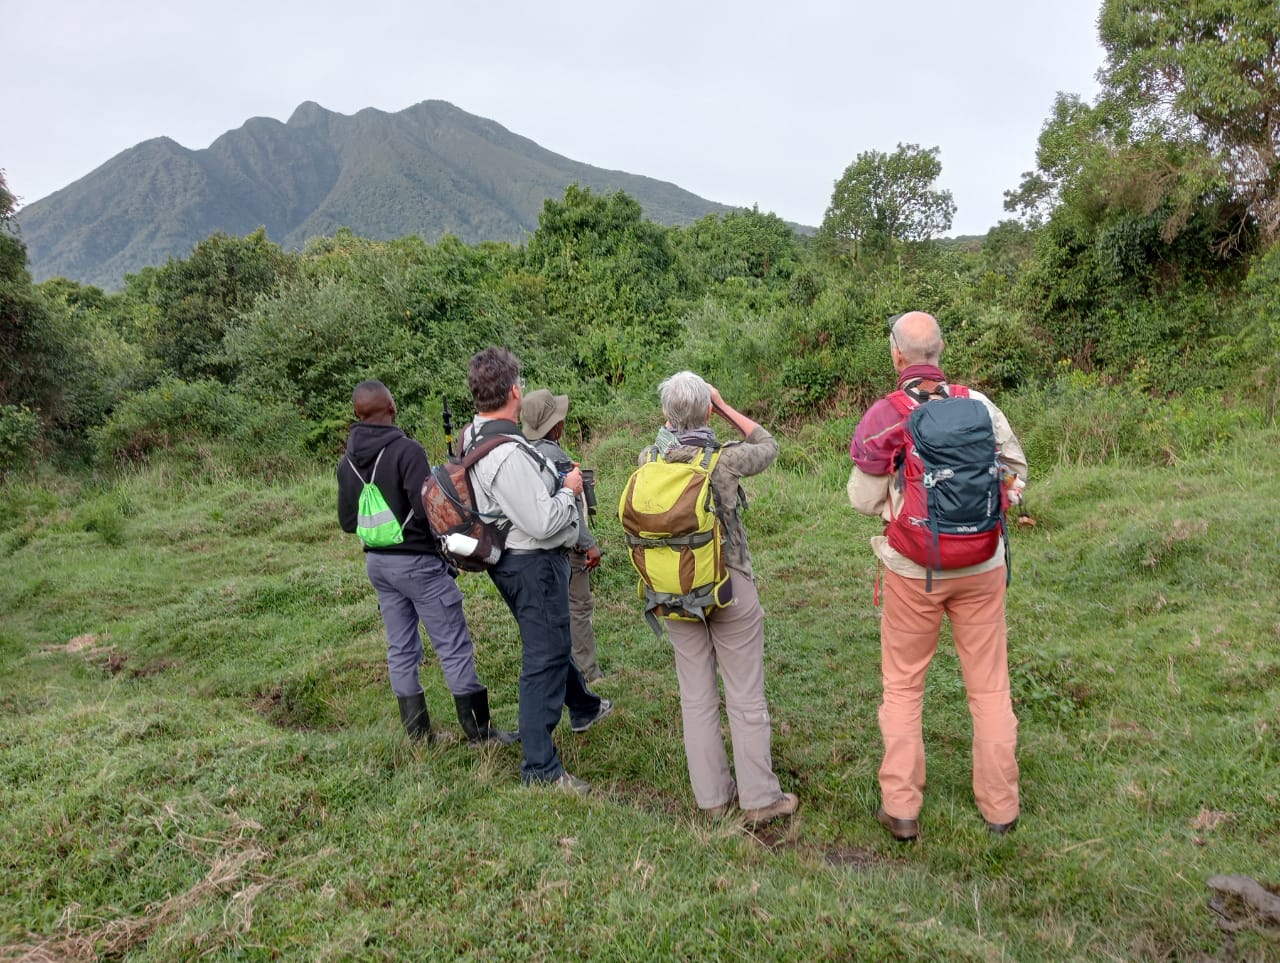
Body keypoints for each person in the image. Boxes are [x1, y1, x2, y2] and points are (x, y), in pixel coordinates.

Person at [847, 311, 1027, 841]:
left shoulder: (889, 413)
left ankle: (901, 807)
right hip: (982, 562)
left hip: (912, 569)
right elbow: (1017, 472)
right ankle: (1001, 809)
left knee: (903, 686)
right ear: (941, 350)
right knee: (990, 687)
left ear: (896, 356)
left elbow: (861, 499)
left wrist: (898, 501)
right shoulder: (979, 404)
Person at [643, 371, 798, 826]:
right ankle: (760, 800)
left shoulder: (649, 457)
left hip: (673, 592)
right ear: (708, 412)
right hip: (729, 587)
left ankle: (712, 799)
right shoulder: (725, 460)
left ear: (665, 416)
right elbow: (768, 443)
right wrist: (724, 405)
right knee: (745, 695)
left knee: (695, 697)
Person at [463, 348, 613, 790]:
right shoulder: (506, 456)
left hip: (510, 559)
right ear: (514, 390)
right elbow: (544, 521)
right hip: (532, 563)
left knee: (550, 640)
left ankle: (583, 707)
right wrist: (568, 490)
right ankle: (541, 770)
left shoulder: (475, 434)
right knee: (543, 658)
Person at [337, 379, 517, 746]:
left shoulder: (346, 463)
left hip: (378, 566)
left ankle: (419, 737)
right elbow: (428, 513)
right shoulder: (407, 451)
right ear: (392, 407)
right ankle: (479, 733)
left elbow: (346, 521)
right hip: (418, 565)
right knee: (452, 644)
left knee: (400, 647)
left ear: (357, 415)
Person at [520, 387, 605, 682]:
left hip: (534, 547)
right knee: (578, 607)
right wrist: (588, 544)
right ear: (554, 426)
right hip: (566, 543)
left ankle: (559, 669)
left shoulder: (522, 449)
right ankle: (588, 672)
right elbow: (570, 505)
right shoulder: (554, 453)